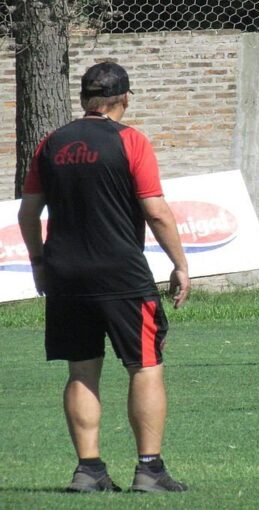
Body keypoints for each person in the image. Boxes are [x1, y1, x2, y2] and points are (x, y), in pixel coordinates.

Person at [17, 62, 191, 492]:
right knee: (145, 366)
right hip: (121, 274)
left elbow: (28, 212)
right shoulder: (130, 140)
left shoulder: (51, 143)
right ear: (124, 98)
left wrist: (39, 263)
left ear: (84, 99)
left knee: (81, 370)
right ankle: (149, 469)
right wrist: (180, 264)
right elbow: (155, 211)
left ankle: (89, 470)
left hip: (65, 276)